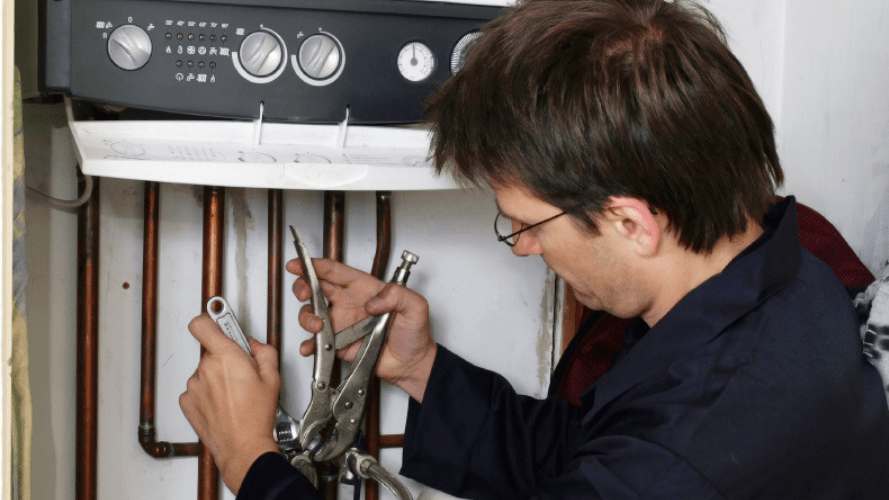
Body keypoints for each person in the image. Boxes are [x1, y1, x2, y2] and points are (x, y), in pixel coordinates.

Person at [180, 0, 889, 498]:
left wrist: (249, 457)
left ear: (632, 223)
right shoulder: (780, 267)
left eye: (526, 223)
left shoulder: (687, 460)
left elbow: (643, 467)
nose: (520, 247)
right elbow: (593, 451)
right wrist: (420, 366)